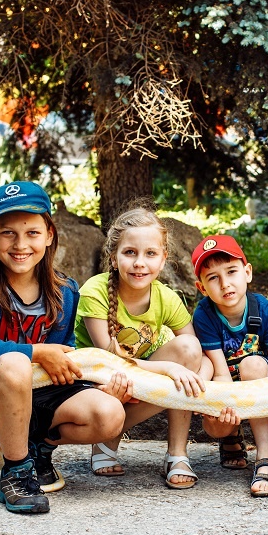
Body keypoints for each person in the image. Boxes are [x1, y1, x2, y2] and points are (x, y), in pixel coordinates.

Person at [0, 181, 127, 514]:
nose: (20, 244)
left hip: (40, 402)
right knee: (14, 363)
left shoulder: (65, 291)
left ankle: (39, 448)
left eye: (32, 233)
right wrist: (36, 352)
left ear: (49, 234)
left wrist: (96, 386)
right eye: (8, 233)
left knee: (109, 414)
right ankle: (16, 472)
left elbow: (62, 363)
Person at [74, 206, 210, 489]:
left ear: (163, 259)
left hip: (137, 378)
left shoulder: (166, 298)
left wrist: (200, 381)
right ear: (113, 258)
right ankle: (105, 436)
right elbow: (108, 362)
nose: (139, 263)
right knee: (171, 373)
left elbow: (196, 351)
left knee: (188, 352)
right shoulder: (94, 291)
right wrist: (168, 368)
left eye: (150, 253)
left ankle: (177, 454)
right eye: (130, 252)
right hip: (94, 384)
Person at [191, 235, 268, 497]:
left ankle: (266, 457)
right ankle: (230, 435)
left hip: (260, 386)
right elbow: (221, 372)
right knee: (216, 424)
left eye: (231, 272)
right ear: (202, 288)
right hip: (228, 384)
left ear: (247, 272)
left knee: (253, 364)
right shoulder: (204, 315)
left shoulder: (265, 311)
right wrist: (224, 406)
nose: (225, 284)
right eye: (213, 278)